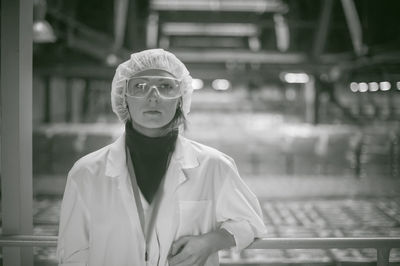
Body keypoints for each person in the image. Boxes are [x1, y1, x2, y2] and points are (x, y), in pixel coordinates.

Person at [56, 48, 267, 266]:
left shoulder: (213, 165)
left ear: (180, 98)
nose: (153, 96)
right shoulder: (87, 172)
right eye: (140, 86)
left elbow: (251, 222)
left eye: (165, 86)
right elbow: (73, 254)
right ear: (124, 97)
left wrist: (211, 241)